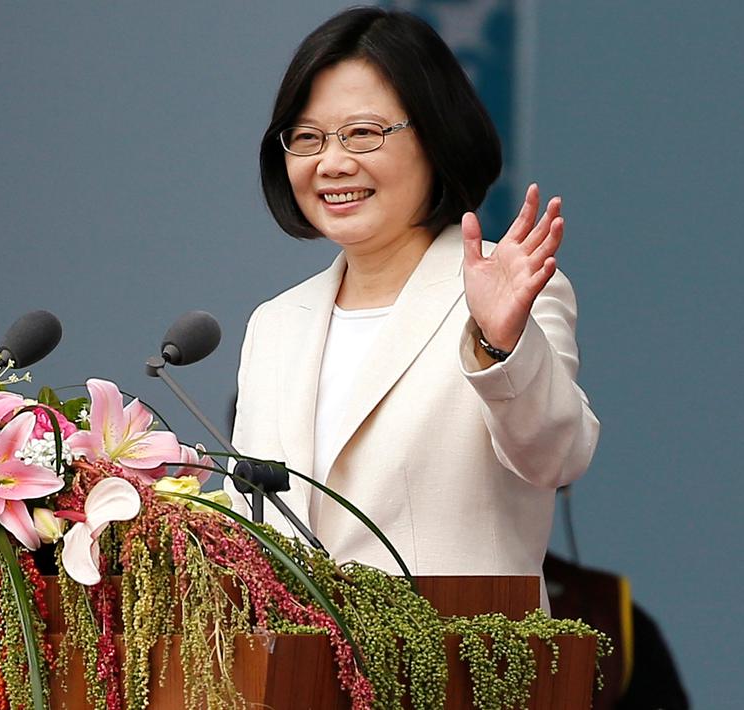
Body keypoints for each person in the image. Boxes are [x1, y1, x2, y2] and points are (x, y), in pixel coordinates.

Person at [228, 7, 600, 611]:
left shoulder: (501, 298)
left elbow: (557, 457)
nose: (333, 162)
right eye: (307, 137)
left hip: (462, 674)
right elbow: (252, 528)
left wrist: (500, 343)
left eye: (364, 133)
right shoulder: (275, 325)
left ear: (435, 135)